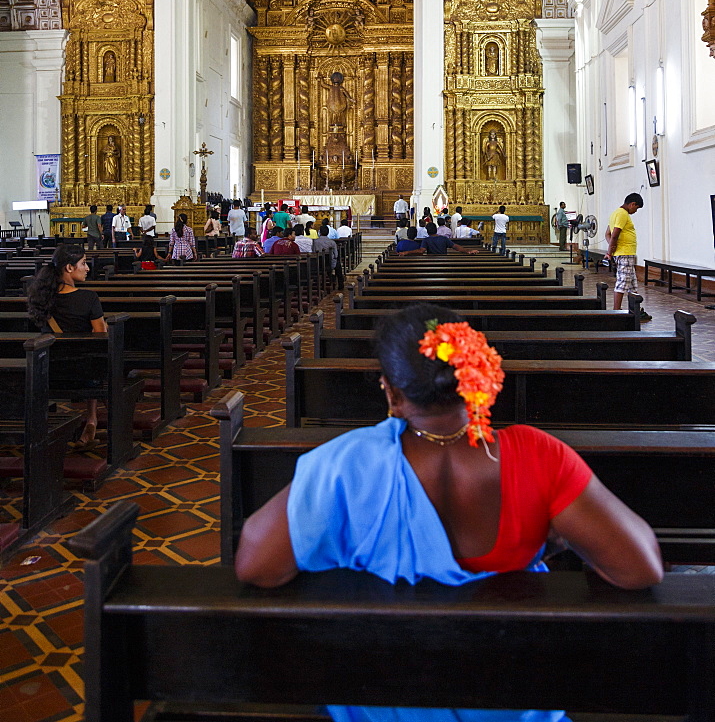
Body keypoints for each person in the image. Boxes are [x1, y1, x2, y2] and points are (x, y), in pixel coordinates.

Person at [235, 304, 663, 722]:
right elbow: (639, 567)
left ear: (393, 393)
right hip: (511, 694)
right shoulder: (538, 456)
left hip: (382, 694)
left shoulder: (348, 464)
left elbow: (257, 565)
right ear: (475, 376)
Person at [27, 246, 108, 445]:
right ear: (69, 268)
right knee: (94, 359)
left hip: (49, 374)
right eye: (83, 263)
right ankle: (92, 418)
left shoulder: (41, 299)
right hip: (85, 376)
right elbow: (101, 338)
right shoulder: (89, 298)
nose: (87, 268)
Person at [603, 193, 651, 322]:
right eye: (636, 208)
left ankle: (636, 310)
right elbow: (614, 235)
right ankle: (616, 311)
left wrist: (613, 248)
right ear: (632, 204)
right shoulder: (623, 214)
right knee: (623, 282)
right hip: (624, 253)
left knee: (632, 284)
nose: (635, 211)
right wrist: (610, 252)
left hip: (624, 252)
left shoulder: (615, 213)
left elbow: (607, 234)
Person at [314, 224, 342, 289]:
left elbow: (313, 252)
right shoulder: (331, 242)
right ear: (328, 233)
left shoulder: (315, 242)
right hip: (329, 263)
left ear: (319, 232)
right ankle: (340, 284)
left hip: (318, 264)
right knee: (338, 265)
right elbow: (336, 255)